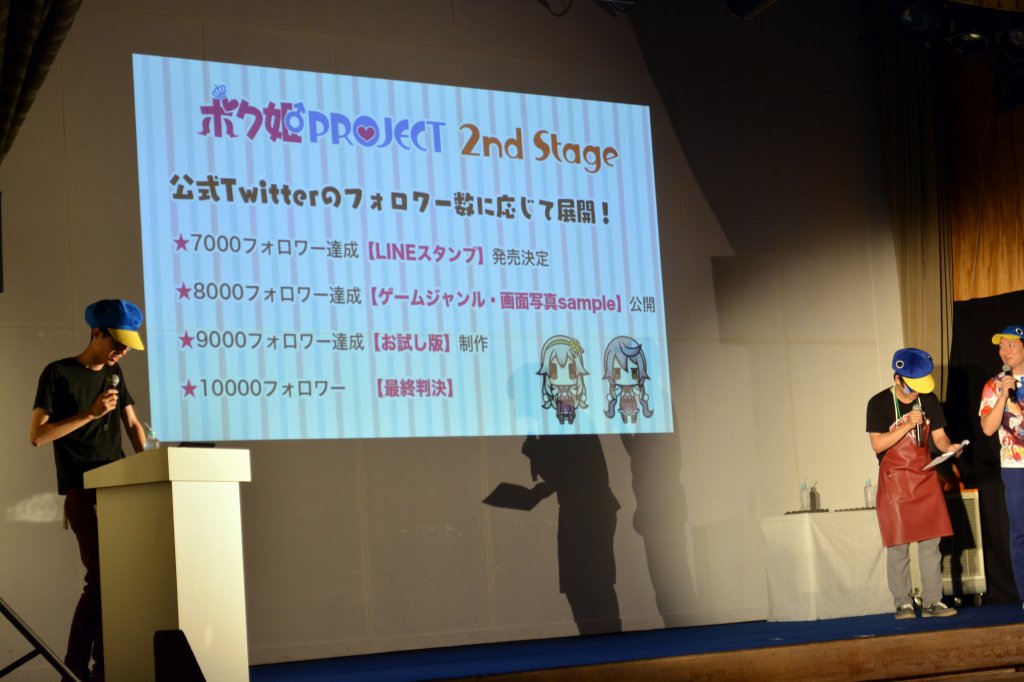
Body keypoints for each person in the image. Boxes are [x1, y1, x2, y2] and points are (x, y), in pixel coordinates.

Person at [29, 299, 147, 682]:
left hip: (119, 488)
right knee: (100, 579)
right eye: (118, 343)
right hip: (83, 490)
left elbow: (132, 424)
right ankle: (75, 669)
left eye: (128, 346)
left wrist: (151, 466)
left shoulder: (115, 374)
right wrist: (89, 415)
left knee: (118, 580)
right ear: (97, 333)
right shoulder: (58, 373)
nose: (123, 352)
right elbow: (38, 436)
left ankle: (103, 671)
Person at [866, 348, 960, 619]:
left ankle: (933, 601)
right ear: (897, 378)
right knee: (898, 545)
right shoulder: (879, 403)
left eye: (920, 387)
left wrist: (949, 447)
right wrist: (907, 425)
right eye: (911, 387)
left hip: (925, 477)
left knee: (931, 544)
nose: (916, 393)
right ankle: (903, 603)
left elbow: (939, 437)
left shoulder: (929, 400)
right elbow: (877, 444)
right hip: (895, 481)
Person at [979, 325, 1024, 607]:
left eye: (1011, 345)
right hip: (1015, 466)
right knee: (1019, 533)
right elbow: (987, 428)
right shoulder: (994, 385)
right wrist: (1004, 396)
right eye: (1001, 347)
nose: (1005, 351)